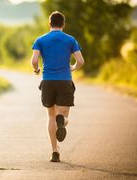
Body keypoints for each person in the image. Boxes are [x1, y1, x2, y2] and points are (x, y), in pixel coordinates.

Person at [31, 11, 84, 162]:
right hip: (64, 81)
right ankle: (62, 120)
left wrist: (36, 70)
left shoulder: (40, 40)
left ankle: (55, 151)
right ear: (63, 24)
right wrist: (73, 67)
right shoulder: (70, 40)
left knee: (50, 116)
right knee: (64, 116)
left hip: (48, 81)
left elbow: (34, 60)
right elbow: (80, 61)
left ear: (49, 24)